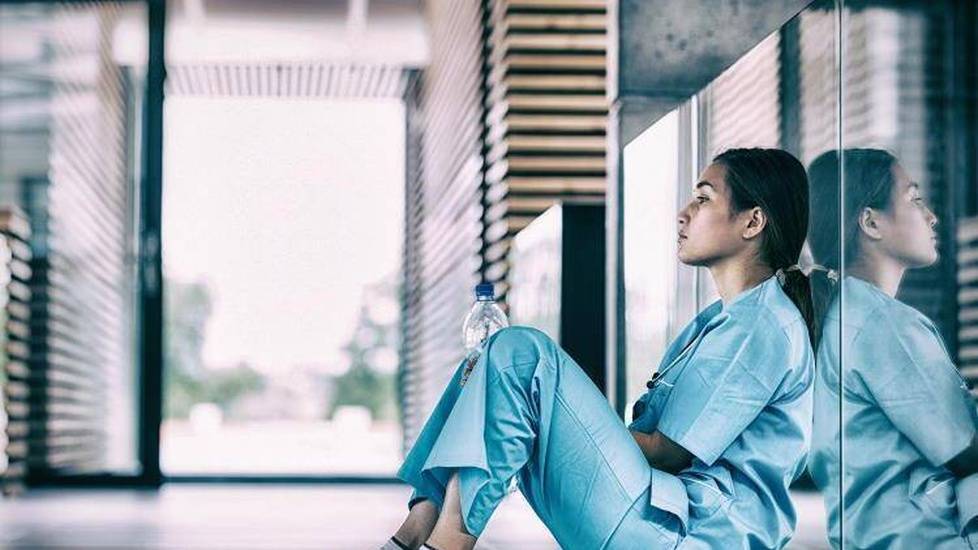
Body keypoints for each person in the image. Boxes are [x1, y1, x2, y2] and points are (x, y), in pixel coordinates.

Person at [384, 148, 818, 550]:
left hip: (685, 534)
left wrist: (563, 420)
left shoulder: (763, 324)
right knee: (496, 362)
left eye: (703, 199)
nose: (683, 214)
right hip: (656, 515)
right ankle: (418, 527)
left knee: (520, 354)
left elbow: (666, 451)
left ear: (752, 222)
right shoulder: (716, 321)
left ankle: (443, 540)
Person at [807, 149, 978, 549]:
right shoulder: (882, 323)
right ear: (870, 222)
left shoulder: (839, 313)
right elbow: (964, 451)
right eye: (915, 199)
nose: (931, 217)